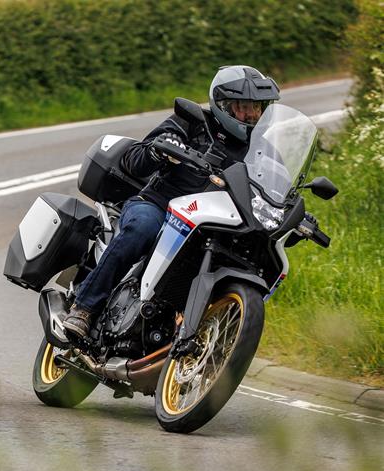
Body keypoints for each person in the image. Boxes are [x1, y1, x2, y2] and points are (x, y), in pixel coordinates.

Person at [62, 65, 281, 338]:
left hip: (213, 227)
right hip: (159, 206)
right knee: (142, 227)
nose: (251, 115)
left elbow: (277, 188)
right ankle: (84, 308)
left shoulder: (264, 151)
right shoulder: (193, 123)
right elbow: (134, 158)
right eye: (243, 107)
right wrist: (161, 148)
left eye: (257, 107)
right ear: (222, 104)